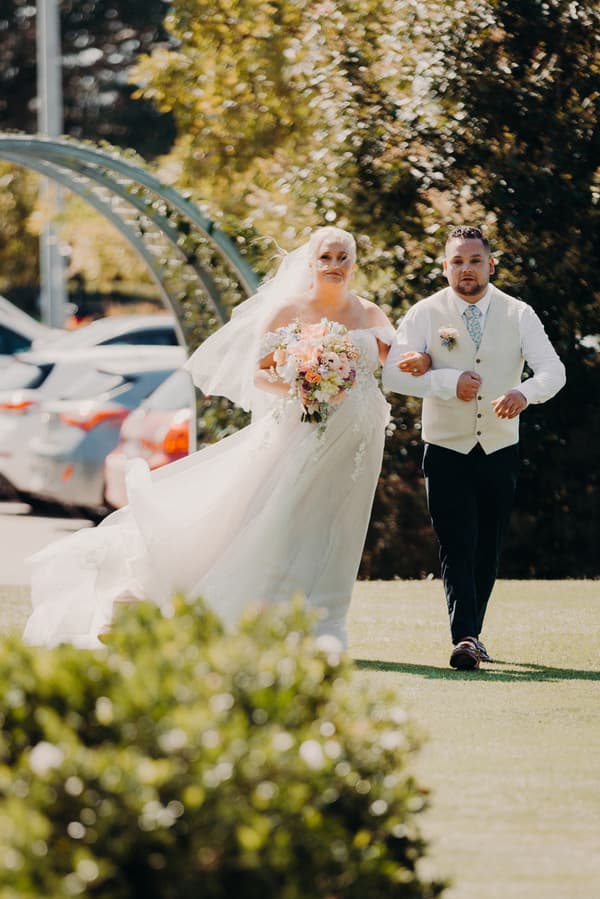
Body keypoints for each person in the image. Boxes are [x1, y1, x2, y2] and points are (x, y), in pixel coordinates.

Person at [23, 226, 407, 650]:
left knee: (341, 527)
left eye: (342, 258)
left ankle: (325, 620)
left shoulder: (371, 314)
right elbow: (259, 373)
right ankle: (264, 616)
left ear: (354, 265)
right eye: (326, 257)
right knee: (276, 520)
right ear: (312, 262)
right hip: (300, 434)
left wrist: (433, 360)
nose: (334, 266)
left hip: (358, 442)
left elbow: (400, 363)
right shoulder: (288, 310)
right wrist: (304, 385)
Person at [382, 225, 566, 670]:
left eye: (474, 260)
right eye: (457, 261)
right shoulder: (425, 313)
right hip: (445, 446)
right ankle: (465, 636)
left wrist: (524, 394)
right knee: (455, 541)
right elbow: (394, 374)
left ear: (490, 264)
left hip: (500, 447)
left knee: (489, 544)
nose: (466, 269)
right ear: (445, 267)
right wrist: (446, 382)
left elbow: (553, 371)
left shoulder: (518, 313)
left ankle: (471, 634)